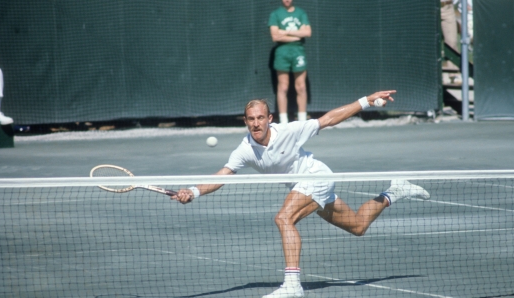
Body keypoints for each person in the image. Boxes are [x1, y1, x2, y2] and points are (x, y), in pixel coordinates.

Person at [172, 91, 431, 298]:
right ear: (245, 121)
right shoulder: (245, 149)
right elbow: (223, 175)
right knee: (358, 226)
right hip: (305, 187)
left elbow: (328, 119)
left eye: (260, 118)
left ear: (269, 118)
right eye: (251, 119)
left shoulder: (289, 131)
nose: (256, 123)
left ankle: (292, 285)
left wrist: (367, 100)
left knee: (284, 218)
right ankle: (394, 191)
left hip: (316, 176)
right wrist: (193, 191)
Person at [268, 0, 311, 124]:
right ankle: (283, 121)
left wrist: (285, 32)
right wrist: (297, 35)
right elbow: (275, 36)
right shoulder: (275, 14)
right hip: (282, 53)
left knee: (301, 86)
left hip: (298, 52)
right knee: (283, 87)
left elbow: (307, 32)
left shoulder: (301, 13)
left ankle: (302, 121)